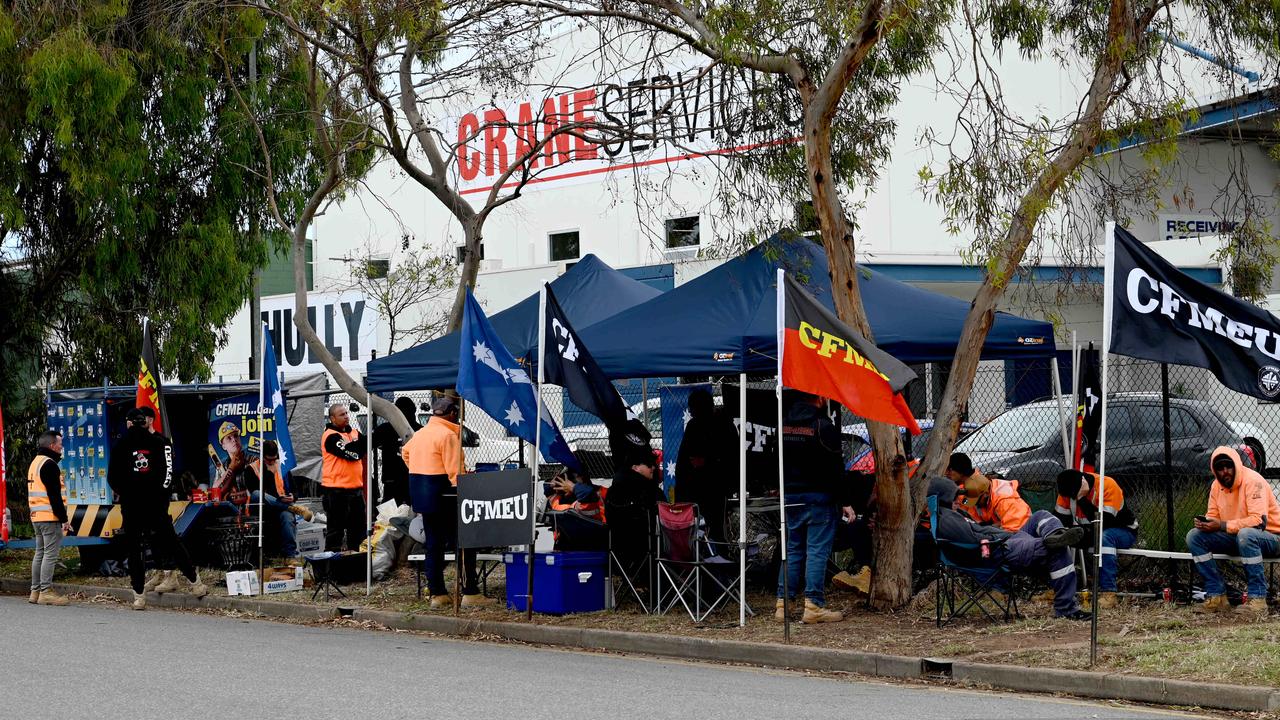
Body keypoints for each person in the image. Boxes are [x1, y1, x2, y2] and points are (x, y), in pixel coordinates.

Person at [927, 477, 1090, 620]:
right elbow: (975, 542)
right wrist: (999, 536)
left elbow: (979, 532)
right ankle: (1066, 609)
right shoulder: (948, 520)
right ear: (944, 498)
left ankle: (1055, 535)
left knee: (1040, 515)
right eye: (954, 497)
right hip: (1000, 551)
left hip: (1006, 541)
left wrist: (1000, 533)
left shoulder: (950, 515)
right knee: (1057, 550)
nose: (958, 500)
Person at [403, 395, 495, 609]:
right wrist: (463, 487)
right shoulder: (448, 435)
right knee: (464, 543)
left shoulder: (420, 434)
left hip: (422, 493)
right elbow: (455, 471)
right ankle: (469, 592)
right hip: (446, 495)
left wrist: (420, 469)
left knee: (433, 544)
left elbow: (405, 454)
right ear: (452, 414)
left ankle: (438, 594)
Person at [109, 408, 207, 610]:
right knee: (173, 543)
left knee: (135, 550)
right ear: (145, 422)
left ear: (129, 423)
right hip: (155, 505)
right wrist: (159, 497)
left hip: (131, 506)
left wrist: (126, 493)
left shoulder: (121, 444)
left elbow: (113, 478)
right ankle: (195, 584)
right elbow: (168, 476)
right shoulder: (160, 443)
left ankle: (139, 596)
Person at [1186, 447, 1280, 616]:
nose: (1225, 472)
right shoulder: (1216, 485)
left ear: (1237, 465)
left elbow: (1258, 521)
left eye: (1228, 466)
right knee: (1194, 536)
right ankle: (1217, 596)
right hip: (1237, 537)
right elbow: (1213, 515)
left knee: (1247, 534)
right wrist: (1206, 524)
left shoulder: (1253, 481)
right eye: (1219, 468)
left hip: (1271, 537)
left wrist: (1221, 525)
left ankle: (1258, 599)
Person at [776, 392, 843, 624]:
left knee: (793, 550)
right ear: (821, 399)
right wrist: (843, 500)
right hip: (819, 498)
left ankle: (783, 603)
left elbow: (775, 459)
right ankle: (813, 605)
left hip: (791, 496)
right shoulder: (823, 427)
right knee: (816, 551)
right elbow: (836, 468)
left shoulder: (783, 425)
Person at [1054, 469, 1138, 609]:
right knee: (1057, 539)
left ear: (1082, 485)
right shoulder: (1067, 490)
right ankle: (1058, 590)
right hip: (1090, 531)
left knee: (1104, 537)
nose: (1071, 499)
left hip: (1123, 531)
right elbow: (1059, 519)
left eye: (1073, 496)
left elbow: (1104, 523)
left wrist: (1081, 499)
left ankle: (1109, 593)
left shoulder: (1107, 485)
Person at [673, 389, 736, 542]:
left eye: (693, 408)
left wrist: (707, 462)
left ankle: (718, 555)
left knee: (716, 527)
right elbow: (684, 459)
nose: (691, 411)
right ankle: (713, 553)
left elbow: (731, 455)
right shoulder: (695, 425)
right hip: (698, 486)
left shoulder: (721, 425)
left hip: (714, 487)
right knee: (710, 527)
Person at [247, 440, 314, 559]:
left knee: (287, 517)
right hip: (263, 508)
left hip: (281, 507)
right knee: (257, 493)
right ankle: (293, 509)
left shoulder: (282, 466)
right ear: (262, 456)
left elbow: (294, 490)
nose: (272, 462)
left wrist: (293, 496)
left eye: (274, 459)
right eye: (269, 460)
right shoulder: (252, 469)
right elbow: (255, 492)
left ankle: (290, 556)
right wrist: (269, 473)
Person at [28, 430, 72, 606]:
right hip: (49, 517)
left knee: (39, 553)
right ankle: (46, 591)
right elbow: (54, 496)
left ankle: (35, 591)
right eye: (60, 444)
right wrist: (64, 519)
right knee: (50, 555)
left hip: (37, 516)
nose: (62, 447)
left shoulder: (35, 463)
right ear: (52, 446)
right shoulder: (50, 465)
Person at [320, 403, 367, 552]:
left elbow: (365, 445)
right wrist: (356, 446)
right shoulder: (330, 436)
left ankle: (356, 565)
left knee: (358, 531)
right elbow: (354, 454)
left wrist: (356, 445)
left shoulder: (354, 432)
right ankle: (331, 569)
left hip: (356, 490)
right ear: (333, 418)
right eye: (342, 414)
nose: (346, 416)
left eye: (346, 413)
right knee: (336, 532)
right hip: (336, 491)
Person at [946, 452, 1031, 533]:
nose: (975, 504)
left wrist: (989, 532)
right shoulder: (973, 490)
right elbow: (970, 517)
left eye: (950, 470)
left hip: (1021, 533)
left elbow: (1015, 530)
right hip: (999, 527)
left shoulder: (1005, 500)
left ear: (986, 494)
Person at [374, 397, 421, 508]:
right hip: (412, 476)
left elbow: (370, 442)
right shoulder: (420, 430)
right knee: (413, 509)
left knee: (391, 512)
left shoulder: (385, 429)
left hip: (393, 477)